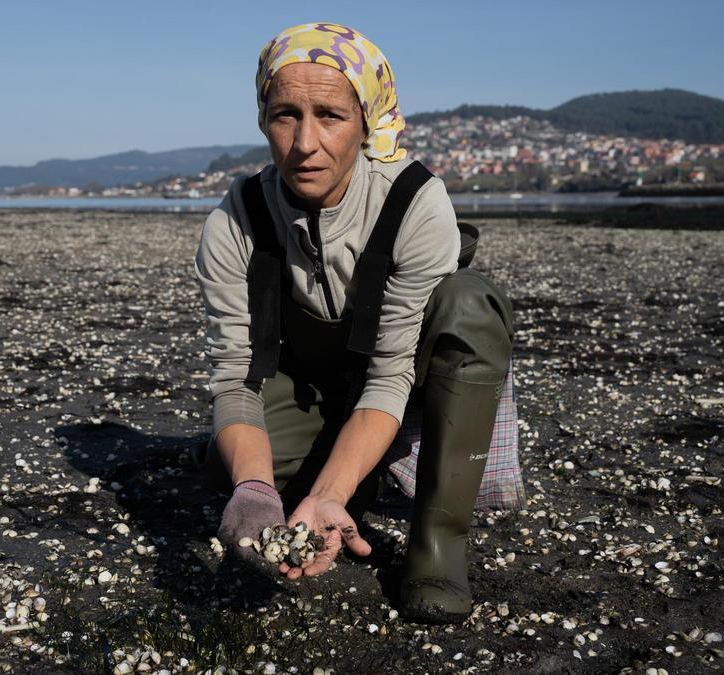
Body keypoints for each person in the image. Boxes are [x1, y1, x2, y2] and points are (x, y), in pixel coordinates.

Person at [192, 22, 514, 624]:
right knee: (227, 467)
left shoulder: (416, 203)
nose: (304, 143)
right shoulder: (234, 222)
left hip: (407, 383)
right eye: (285, 114)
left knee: (470, 302)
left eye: (330, 116)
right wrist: (255, 490)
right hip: (310, 380)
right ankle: (333, 480)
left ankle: (437, 544)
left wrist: (328, 493)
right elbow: (237, 378)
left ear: (366, 121)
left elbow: (391, 374)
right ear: (263, 119)